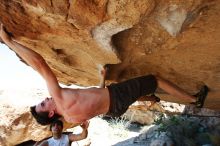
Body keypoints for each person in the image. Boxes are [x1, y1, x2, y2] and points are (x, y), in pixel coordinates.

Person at [0, 24, 209, 126]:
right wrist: (9, 41)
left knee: (136, 91)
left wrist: (102, 77)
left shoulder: (73, 117)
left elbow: (95, 99)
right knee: (154, 79)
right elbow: (40, 64)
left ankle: (150, 97)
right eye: (43, 104)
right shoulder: (60, 98)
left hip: (114, 108)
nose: (45, 99)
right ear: (51, 113)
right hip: (116, 97)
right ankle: (194, 99)